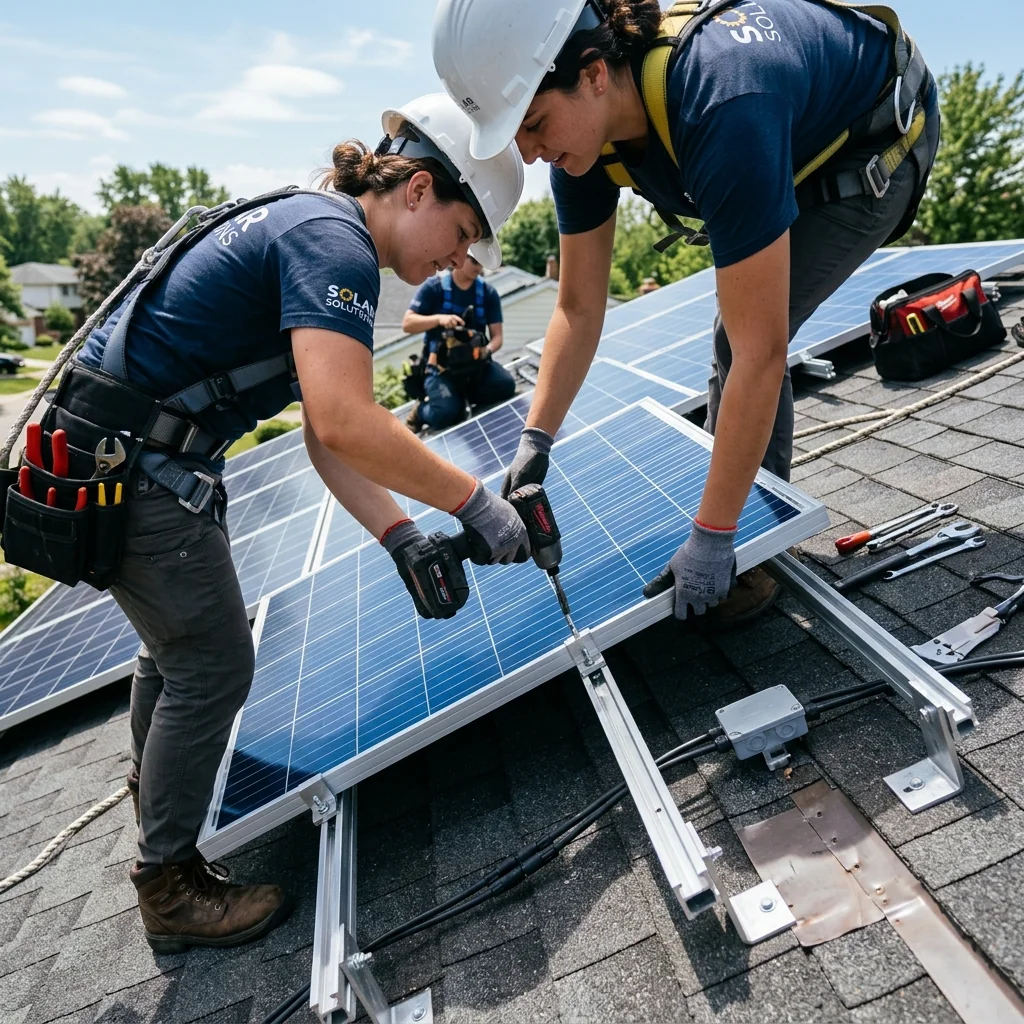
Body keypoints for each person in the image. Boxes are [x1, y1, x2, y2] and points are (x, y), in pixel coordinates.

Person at [37, 93, 528, 953]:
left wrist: (400, 535)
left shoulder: (311, 226)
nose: (459, 257)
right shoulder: (333, 244)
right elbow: (345, 420)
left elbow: (322, 428)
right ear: (418, 189)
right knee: (214, 663)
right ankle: (170, 883)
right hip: (133, 462)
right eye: (460, 234)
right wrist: (474, 502)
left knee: (176, 650)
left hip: (110, 451)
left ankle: (161, 799)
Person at [432, 0, 940, 626]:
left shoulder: (721, 98)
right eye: (519, 137)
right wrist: (534, 441)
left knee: (746, 334)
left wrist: (716, 533)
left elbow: (761, 351)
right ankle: (738, 501)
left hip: (874, 141)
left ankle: (753, 549)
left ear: (593, 74)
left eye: (535, 124)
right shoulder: (584, 141)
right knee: (741, 333)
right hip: (788, 134)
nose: (532, 153)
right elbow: (579, 306)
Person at [403, 255, 515, 431]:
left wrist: (487, 350)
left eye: (482, 263)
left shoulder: (488, 293)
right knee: (445, 414)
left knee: (505, 385)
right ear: (462, 257)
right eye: (475, 262)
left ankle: (461, 399)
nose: (479, 268)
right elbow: (408, 324)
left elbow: (497, 338)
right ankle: (421, 411)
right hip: (440, 371)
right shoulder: (434, 288)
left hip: (475, 367)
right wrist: (439, 319)